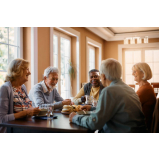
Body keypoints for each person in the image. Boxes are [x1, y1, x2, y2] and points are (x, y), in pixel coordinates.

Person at [69, 58, 147, 133]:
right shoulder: (129, 89)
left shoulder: (108, 91)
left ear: (103, 76)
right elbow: (116, 110)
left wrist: (75, 117)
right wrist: (92, 108)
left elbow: (95, 123)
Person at [0, 59, 40, 133]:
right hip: (12, 130)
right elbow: (2, 119)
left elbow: (28, 108)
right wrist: (27, 112)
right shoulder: (5, 88)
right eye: (27, 69)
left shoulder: (23, 87)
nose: (30, 73)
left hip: (25, 127)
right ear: (18, 71)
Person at [132, 62, 156, 132]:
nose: (132, 74)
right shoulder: (144, 87)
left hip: (142, 127)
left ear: (143, 73)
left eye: (135, 71)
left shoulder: (145, 89)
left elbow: (130, 107)